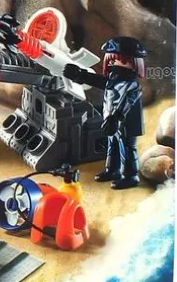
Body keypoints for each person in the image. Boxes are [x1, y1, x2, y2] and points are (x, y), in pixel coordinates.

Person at [63, 37, 146, 189]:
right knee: (112, 145)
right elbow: (98, 81)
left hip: (125, 124)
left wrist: (116, 117)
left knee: (127, 148)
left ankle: (131, 176)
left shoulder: (132, 85)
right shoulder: (113, 79)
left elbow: (127, 102)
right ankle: (112, 170)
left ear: (134, 62)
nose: (115, 64)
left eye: (120, 60)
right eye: (113, 60)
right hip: (111, 121)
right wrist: (79, 75)